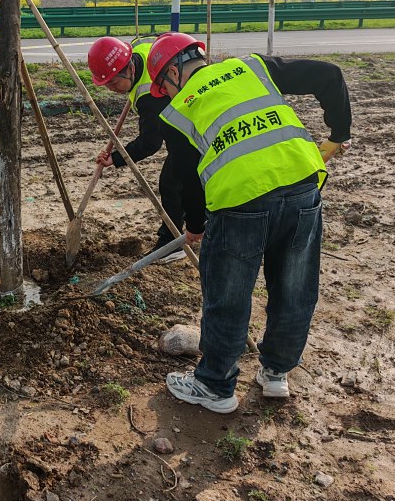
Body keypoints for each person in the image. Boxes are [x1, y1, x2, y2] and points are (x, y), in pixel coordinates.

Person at [146, 31, 352, 413]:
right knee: (294, 288)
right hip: (303, 188)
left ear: (173, 73)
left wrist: (195, 226)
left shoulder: (175, 114)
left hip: (240, 203)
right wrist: (339, 134)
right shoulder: (253, 67)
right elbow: (329, 75)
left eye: (163, 86)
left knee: (228, 296)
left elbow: (187, 179)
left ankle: (214, 387)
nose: (166, 95)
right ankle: (276, 374)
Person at [88, 35, 201, 263]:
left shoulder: (150, 96)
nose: (111, 89)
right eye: (106, 84)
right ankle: (193, 220)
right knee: (181, 181)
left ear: (129, 68)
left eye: (114, 83)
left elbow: (151, 142)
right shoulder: (140, 50)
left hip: (196, 121)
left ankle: (173, 243)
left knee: (172, 181)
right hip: (189, 109)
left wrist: (117, 158)